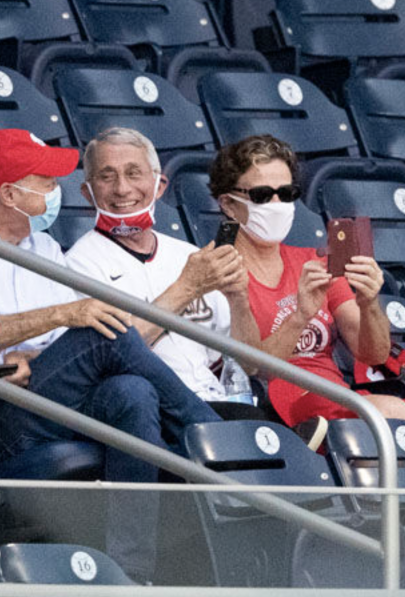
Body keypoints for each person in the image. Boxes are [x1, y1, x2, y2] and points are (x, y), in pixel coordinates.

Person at [0, 128, 220, 582]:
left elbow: (54, 346)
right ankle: (217, 442)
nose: (58, 192)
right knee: (101, 331)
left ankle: (129, 573)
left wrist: (38, 342)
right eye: (47, 182)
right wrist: (57, 317)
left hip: (46, 396)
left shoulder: (44, 247)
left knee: (131, 392)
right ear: (11, 193)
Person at [208, 134, 405, 451]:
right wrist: (300, 315)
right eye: (261, 195)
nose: (277, 205)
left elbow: (374, 355)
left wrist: (369, 302)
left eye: (286, 194)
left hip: (341, 399)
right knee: (389, 414)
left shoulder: (313, 261)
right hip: (284, 409)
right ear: (229, 204)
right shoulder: (215, 267)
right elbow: (251, 368)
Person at [66, 127, 261, 416]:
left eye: (134, 173)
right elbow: (111, 357)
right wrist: (187, 287)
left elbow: (248, 365)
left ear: (159, 185)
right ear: (88, 192)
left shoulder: (187, 255)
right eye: (107, 176)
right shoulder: (78, 264)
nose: (122, 188)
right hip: (149, 412)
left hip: (214, 400)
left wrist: (239, 299)